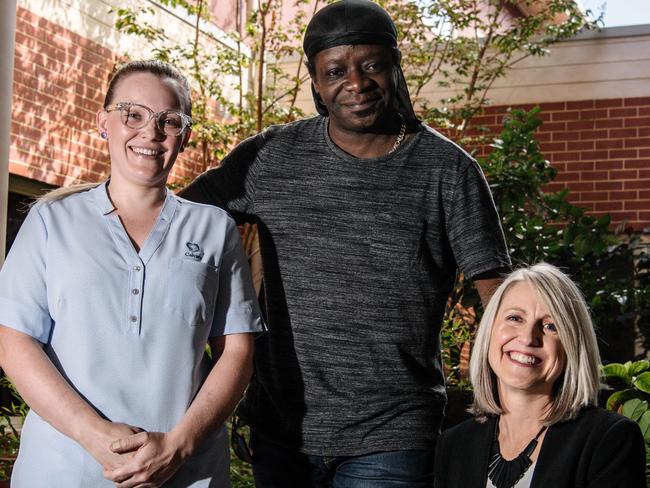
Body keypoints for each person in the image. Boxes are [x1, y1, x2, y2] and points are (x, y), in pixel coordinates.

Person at [180, 0, 510, 486]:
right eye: (335, 71)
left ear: (395, 68)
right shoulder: (270, 157)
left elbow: (496, 291)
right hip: (282, 429)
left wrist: (508, 398)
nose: (355, 84)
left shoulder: (448, 170)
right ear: (315, 81)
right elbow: (178, 219)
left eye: (372, 65)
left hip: (394, 433)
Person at [0, 60, 264, 487]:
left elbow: (237, 352)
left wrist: (177, 447)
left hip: (185, 472)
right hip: (64, 469)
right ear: (104, 122)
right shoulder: (51, 220)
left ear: (186, 135)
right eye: (133, 114)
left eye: (169, 120)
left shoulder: (214, 229)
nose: (151, 132)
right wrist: (94, 435)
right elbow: (13, 340)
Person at [434, 263, 646, 488]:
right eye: (515, 318)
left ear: (572, 345)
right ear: (490, 330)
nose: (528, 338)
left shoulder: (609, 440)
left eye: (550, 326)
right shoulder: (453, 445)